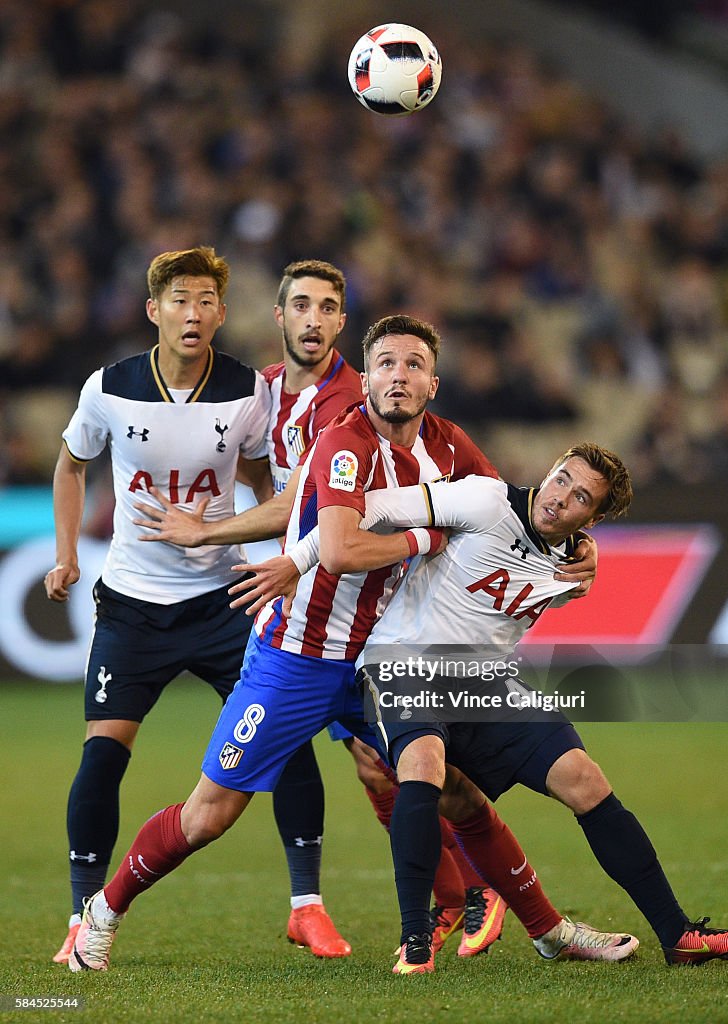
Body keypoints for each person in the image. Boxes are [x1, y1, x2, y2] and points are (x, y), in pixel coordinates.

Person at [66, 315, 634, 975]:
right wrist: (426, 539)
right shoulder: (345, 442)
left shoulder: (451, 448)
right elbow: (340, 551)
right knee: (210, 814)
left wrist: (577, 548)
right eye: (387, 364)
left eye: (414, 365)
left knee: (454, 790)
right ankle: (103, 914)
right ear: (367, 380)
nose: (400, 375)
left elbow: (517, 510)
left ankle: (548, 928)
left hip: (383, 659)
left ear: (432, 382)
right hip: (299, 658)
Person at [133, 258, 509, 957]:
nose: (312, 318)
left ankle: (467, 893)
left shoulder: (350, 406)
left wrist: (211, 529)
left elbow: (301, 501)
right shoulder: (265, 390)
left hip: (358, 609)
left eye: (328, 307)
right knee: (373, 764)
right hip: (300, 603)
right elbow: (268, 473)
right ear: (279, 316)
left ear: (342, 323)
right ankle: (438, 896)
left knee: (398, 761)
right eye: (300, 304)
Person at [290, 442, 728, 972]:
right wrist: (297, 559)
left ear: (595, 518)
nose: (560, 498)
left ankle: (678, 936)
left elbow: (554, 574)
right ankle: (415, 943)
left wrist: (587, 558)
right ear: (549, 468)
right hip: (402, 665)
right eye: (561, 478)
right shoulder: (484, 501)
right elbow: (372, 508)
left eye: (580, 496)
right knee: (423, 768)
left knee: (585, 780)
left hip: (485, 682)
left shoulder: (572, 567)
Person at [44, 247, 347, 965]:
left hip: (222, 599)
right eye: (180, 298)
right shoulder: (109, 388)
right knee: (103, 754)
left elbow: (267, 478)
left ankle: (308, 906)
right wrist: (66, 555)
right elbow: (70, 463)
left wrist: (275, 545)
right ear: (155, 310)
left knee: (287, 735)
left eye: (208, 299)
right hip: (133, 606)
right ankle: (80, 913)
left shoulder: (248, 391)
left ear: (220, 311)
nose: (194, 312)